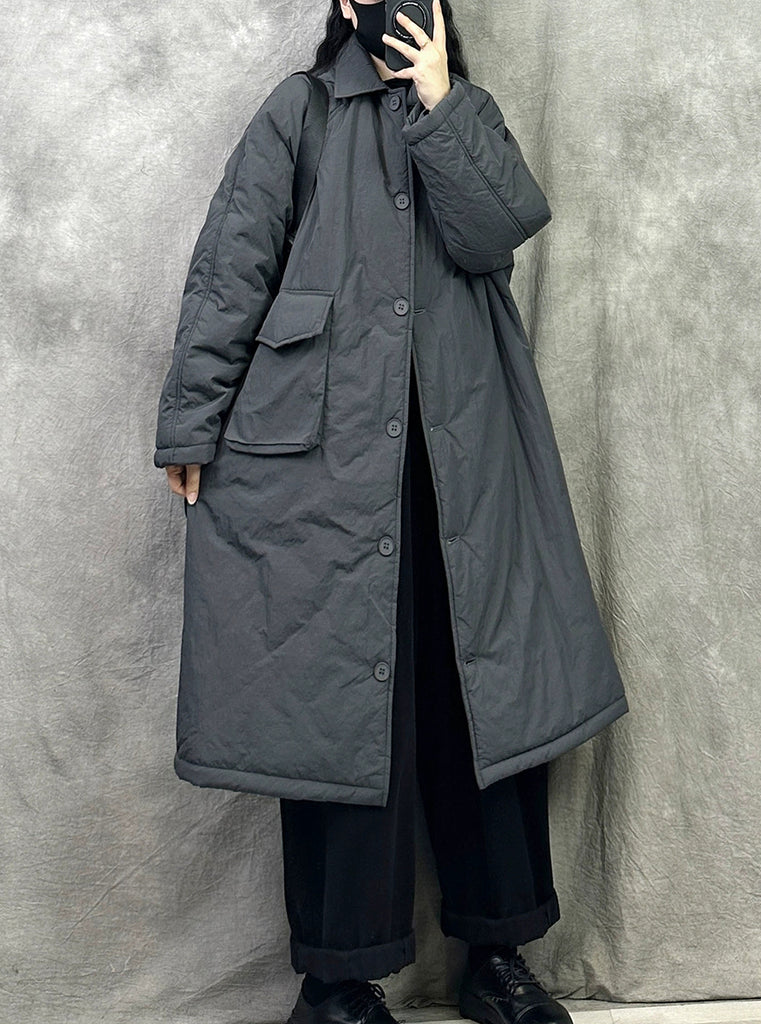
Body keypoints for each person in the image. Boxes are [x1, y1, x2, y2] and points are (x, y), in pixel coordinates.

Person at [153, 1, 629, 1022]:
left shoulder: (468, 110)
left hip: (469, 465)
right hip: (322, 468)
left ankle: (497, 958)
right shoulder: (301, 111)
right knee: (334, 713)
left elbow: (498, 231)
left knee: (483, 696)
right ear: (342, 3)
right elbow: (232, 266)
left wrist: (441, 104)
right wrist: (193, 420)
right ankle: (336, 979)